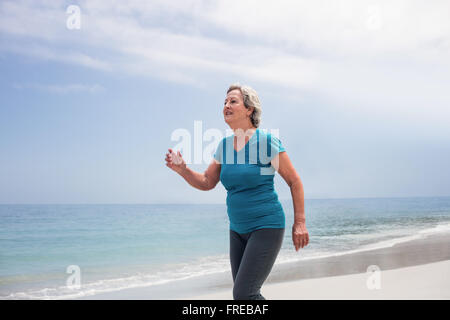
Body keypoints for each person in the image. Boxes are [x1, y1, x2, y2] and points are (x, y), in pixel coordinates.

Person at [165, 83, 309, 300]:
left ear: (249, 109)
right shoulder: (224, 146)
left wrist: (300, 223)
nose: (226, 106)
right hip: (237, 231)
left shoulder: (266, 141)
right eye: (224, 102)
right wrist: (183, 170)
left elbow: (294, 181)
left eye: (233, 101)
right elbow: (207, 181)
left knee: (244, 294)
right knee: (244, 296)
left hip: (266, 226)